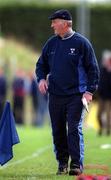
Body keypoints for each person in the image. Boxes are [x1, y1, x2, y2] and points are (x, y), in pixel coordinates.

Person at [35, 9, 99, 176]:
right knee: (57, 130)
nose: (52, 25)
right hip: (55, 95)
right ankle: (62, 163)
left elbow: (93, 69)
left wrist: (89, 91)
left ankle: (76, 164)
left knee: (73, 129)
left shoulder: (82, 43)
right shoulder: (51, 43)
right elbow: (41, 65)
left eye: (54, 22)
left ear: (65, 23)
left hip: (76, 96)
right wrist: (41, 79)